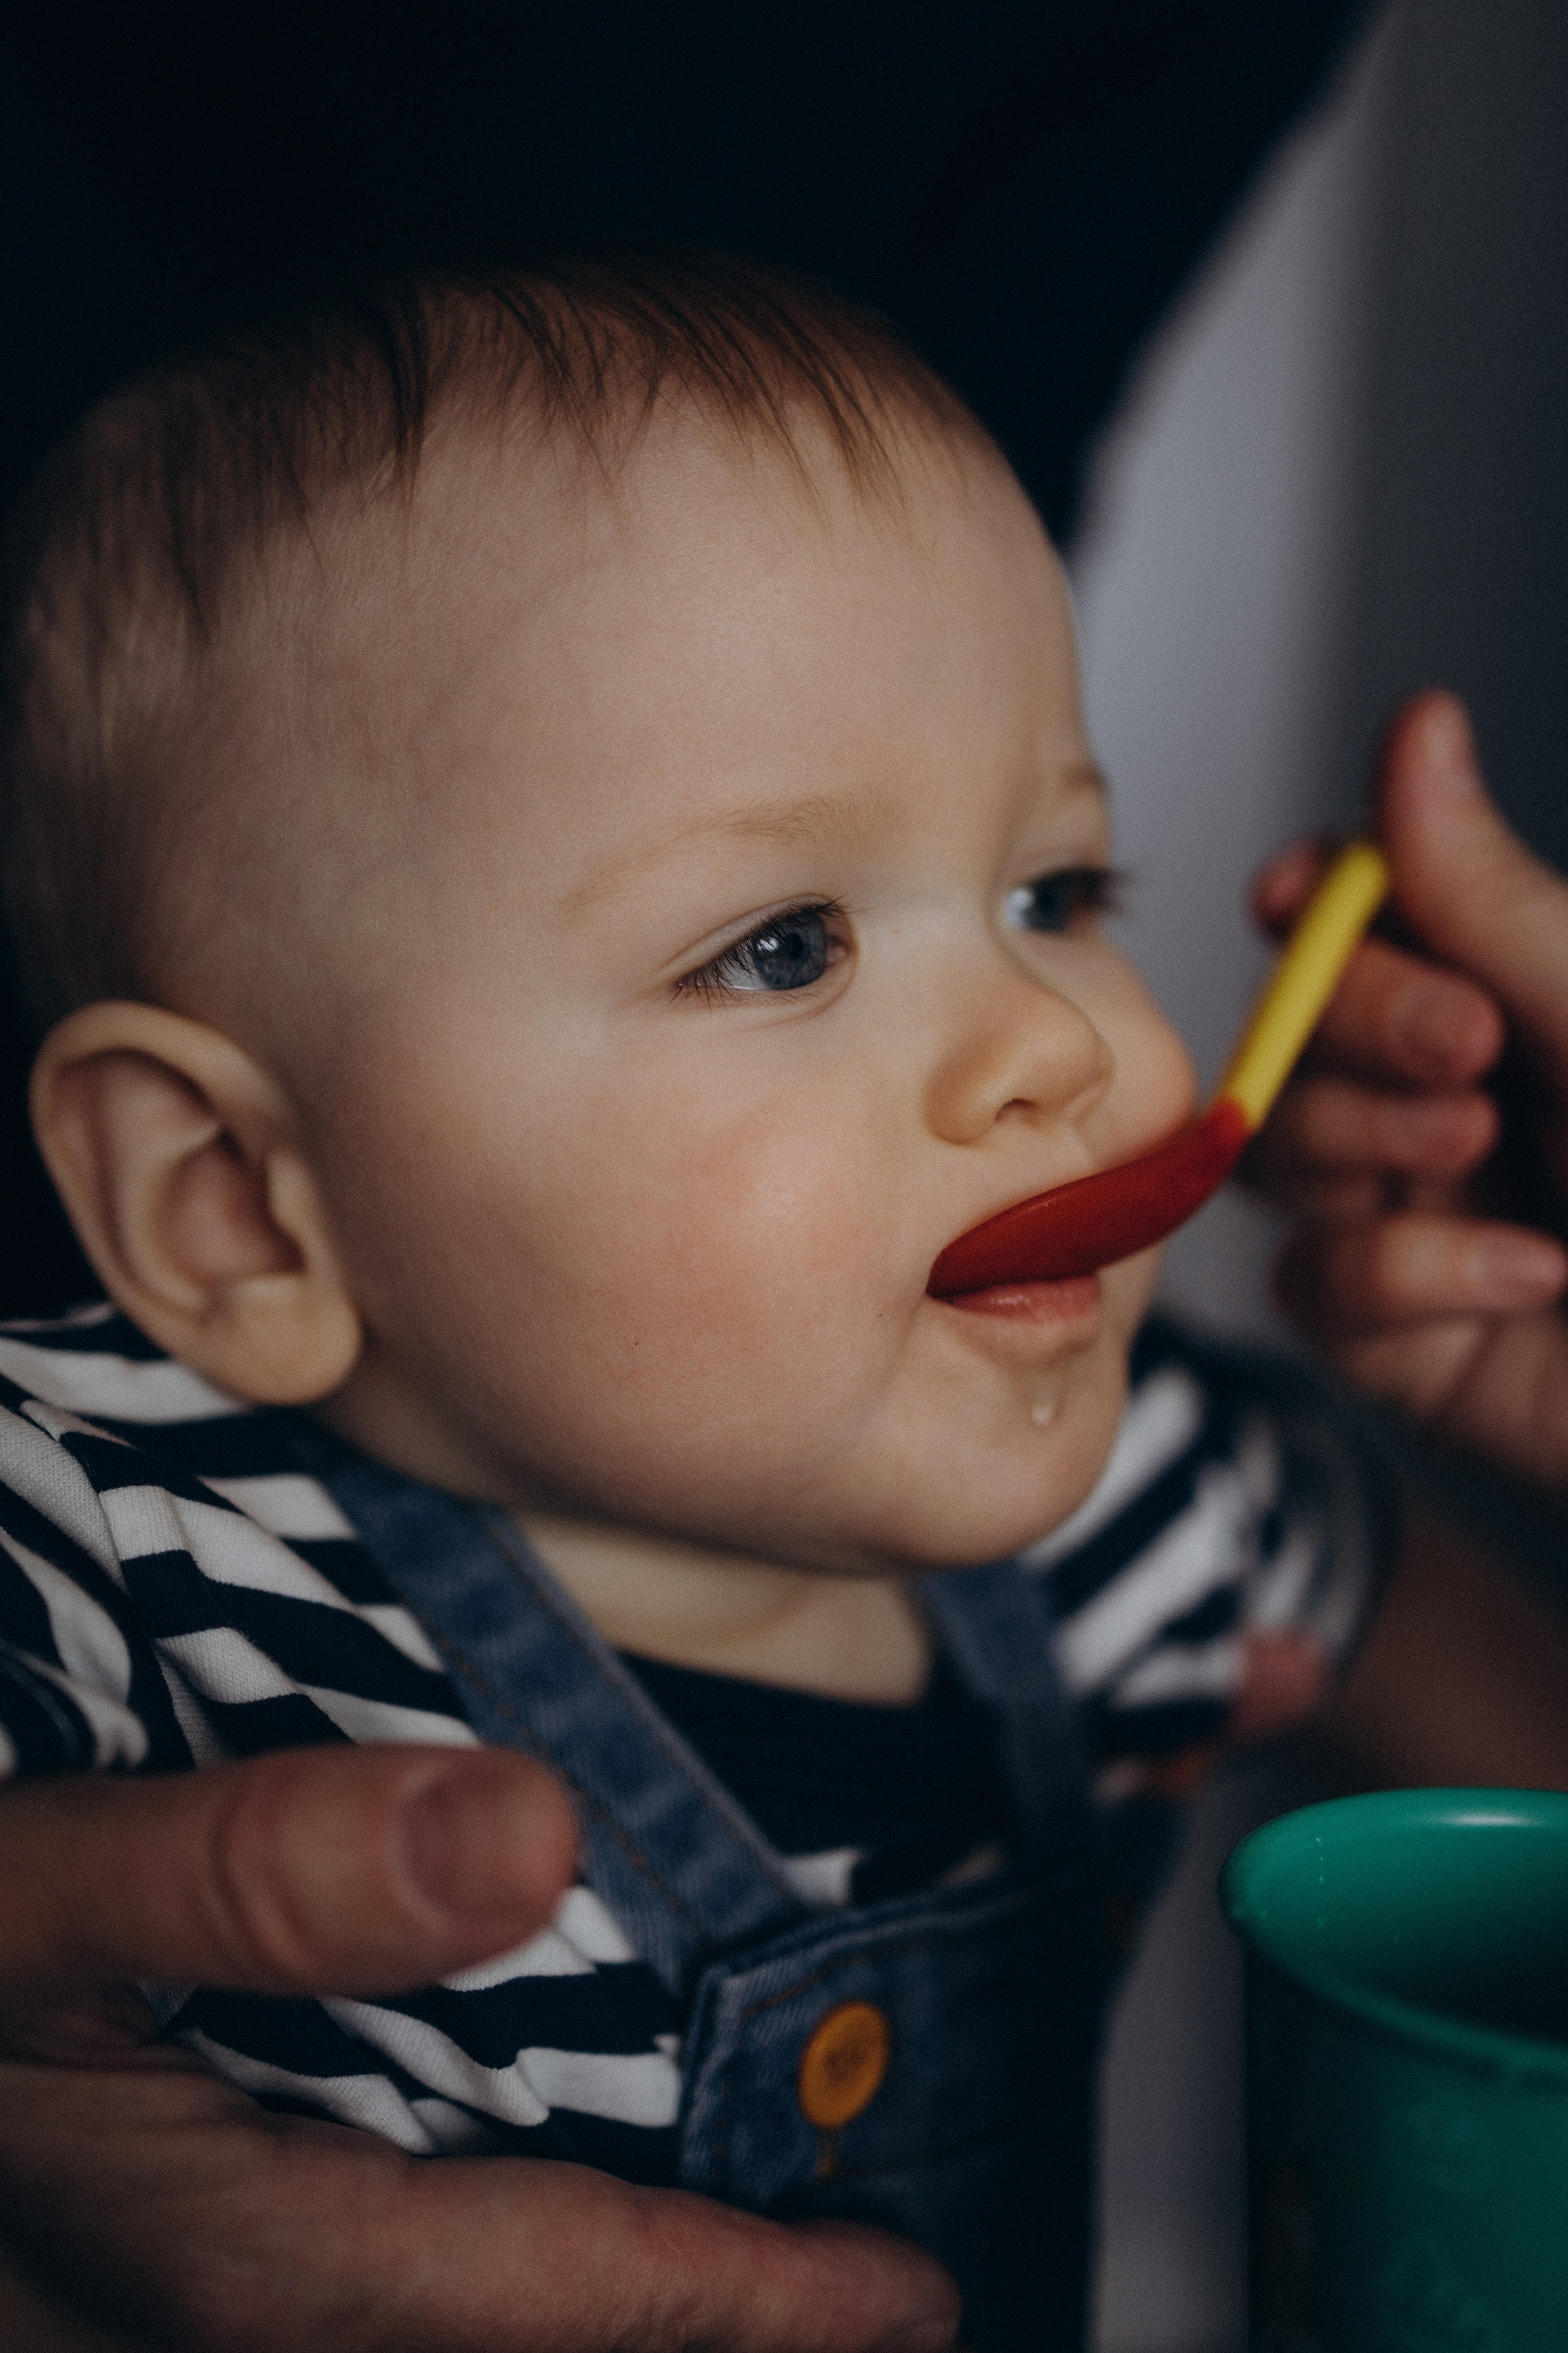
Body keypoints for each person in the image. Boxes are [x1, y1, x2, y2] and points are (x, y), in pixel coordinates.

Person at [0, 255, 1413, 2351]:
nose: (1047, 1040)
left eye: (1056, 892)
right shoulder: (103, 1531)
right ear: (239, 1212)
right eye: (780, 946)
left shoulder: (1147, 1512)